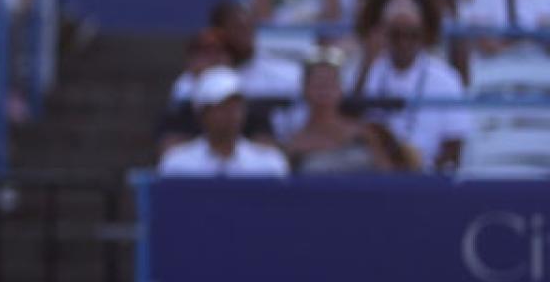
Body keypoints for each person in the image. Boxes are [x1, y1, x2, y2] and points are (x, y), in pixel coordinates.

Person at [352, 0, 468, 171]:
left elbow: (455, 141)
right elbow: (352, 123)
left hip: (428, 176)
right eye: (396, 34)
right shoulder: (371, 70)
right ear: (384, 34)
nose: (404, 42)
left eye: (412, 35)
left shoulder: (446, 78)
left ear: (423, 36)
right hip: (378, 173)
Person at [274, 50, 401, 174]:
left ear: (340, 89)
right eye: (318, 84)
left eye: (330, 83)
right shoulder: (294, 146)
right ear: (304, 90)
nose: (324, 90)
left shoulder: (365, 134)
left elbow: (389, 178)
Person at [157, 68, 290, 178]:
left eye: (236, 106)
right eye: (222, 106)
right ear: (203, 113)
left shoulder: (269, 164)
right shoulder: (177, 164)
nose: (231, 114)